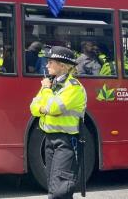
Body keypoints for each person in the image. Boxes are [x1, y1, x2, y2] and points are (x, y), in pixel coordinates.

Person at [30, 46, 87, 199]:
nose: (46, 65)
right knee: (53, 186)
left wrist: (46, 92)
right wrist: (44, 106)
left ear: (62, 65)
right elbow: (33, 107)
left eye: (50, 62)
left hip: (67, 142)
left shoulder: (73, 87)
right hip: (49, 140)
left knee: (60, 190)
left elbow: (54, 107)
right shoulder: (51, 84)